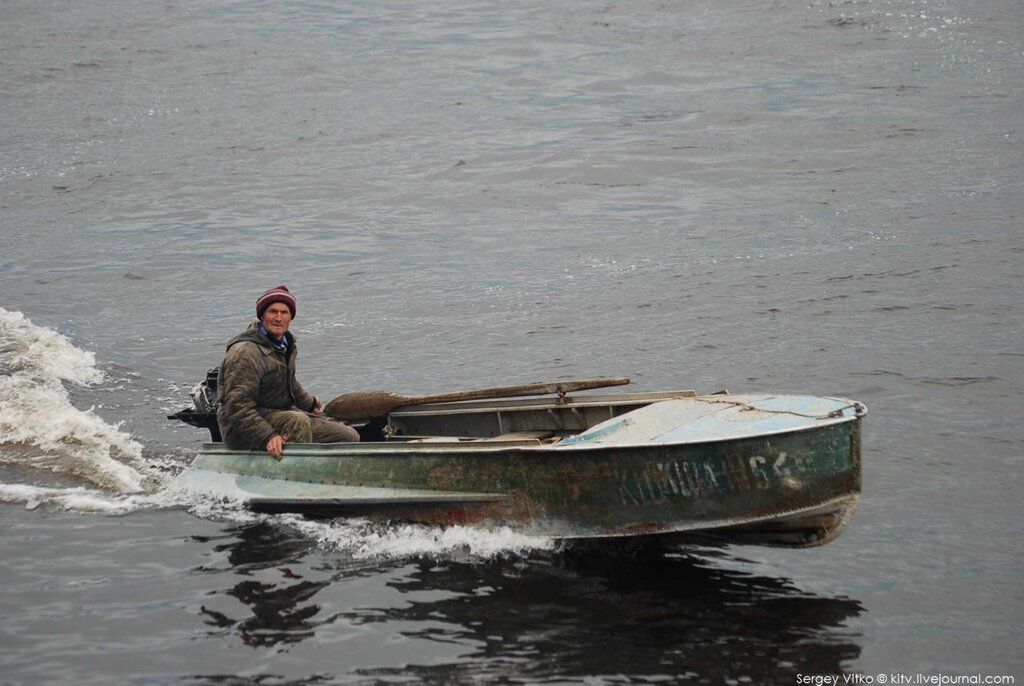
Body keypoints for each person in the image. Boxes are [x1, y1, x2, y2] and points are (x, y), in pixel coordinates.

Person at [216, 284, 359, 458]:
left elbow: (289, 383)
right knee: (297, 421)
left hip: (276, 415)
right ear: (262, 315)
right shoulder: (246, 353)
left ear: (291, 317)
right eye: (272, 312)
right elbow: (237, 407)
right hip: (241, 428)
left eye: (284, 313)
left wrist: (311, 403)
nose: (278, 318)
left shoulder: (284, 344)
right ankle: (297, 473)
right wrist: (267, 436)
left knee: (348, 435)